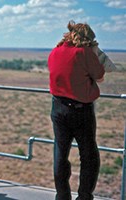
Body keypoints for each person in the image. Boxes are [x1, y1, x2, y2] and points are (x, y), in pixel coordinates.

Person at [48, 21, 105, 200]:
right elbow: (100, 76)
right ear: (87, 39)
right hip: (81, 112)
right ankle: (84, 197)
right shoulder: (84, 53)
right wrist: (94, 54)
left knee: (60, 153)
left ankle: (62, 196)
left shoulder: (55, 51)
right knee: (89, 156)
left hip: (58, 108)